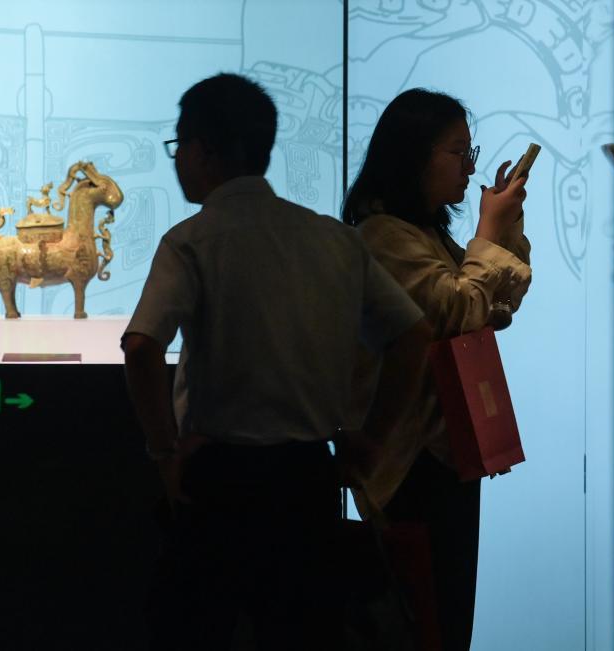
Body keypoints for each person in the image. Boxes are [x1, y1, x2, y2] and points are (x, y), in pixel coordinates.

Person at [122, 72, 431, 651]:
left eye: (179, 145)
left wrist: (164, 453)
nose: (178, 159)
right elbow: (412, 335)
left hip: (217, 482)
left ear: (204, 150)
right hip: (307, 480)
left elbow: (141, 347)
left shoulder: (190, 241)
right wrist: (372, 437)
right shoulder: (333, 240)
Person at [342, 88, 532, 651]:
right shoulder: (383, 235)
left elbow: (498, 301)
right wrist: (489, 236)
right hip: (409, 458)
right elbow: (456, 311)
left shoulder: (423, 232)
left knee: (446, 618)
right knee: (426, 621)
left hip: (445, 449)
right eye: (456, 151)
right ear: (413, 155)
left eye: (470, 152)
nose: (469, 166)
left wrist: (502, 229)